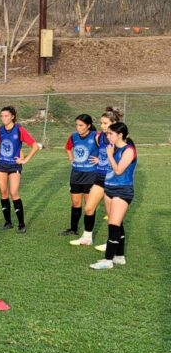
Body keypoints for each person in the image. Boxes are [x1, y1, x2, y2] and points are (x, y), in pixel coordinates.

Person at [69, 106, 123, 249]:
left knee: (112, 213)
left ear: (114, 123)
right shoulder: (100, 137)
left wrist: (108, 161)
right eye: (101, 123)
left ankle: (112, 242)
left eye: (105, 123)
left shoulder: (119, 139)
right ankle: (87, 238)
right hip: (99, 177)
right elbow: (100, 152)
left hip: (112, 179)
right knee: (89, 208)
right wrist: (100, 160)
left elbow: (122, 158)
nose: (102, 126)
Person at [90, 122, 136, 270]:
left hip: (122, 191)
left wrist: (109, 155)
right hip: (109, 189)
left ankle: (108, 260)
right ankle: (119, 256)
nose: (108, 136)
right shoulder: (112, 147)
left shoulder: (128, 150)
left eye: (111, 133)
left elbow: (118, 170)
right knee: (117, 223)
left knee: (113, 225)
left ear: (120, 135)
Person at [0, 105, 39, 233]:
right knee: (3, 192)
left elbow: (35, 146)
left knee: (13, 193)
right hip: (1, 165)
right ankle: (8, 222)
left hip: (14, 166)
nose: (3, 118)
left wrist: (25, 160)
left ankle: (21, 224)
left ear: (12, 117)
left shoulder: (19, 130)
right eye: (2, 116)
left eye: (6, 116)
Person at [60, 114, 98, 237]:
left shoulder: (96, 136)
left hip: (91, 174)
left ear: (89, 126)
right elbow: (67, 148)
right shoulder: (74, 136)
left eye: (81, 125)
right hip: (76, 174)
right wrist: (71, 159)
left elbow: (108, 149)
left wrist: (100, 160)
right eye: (76, 125)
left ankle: (87, 233)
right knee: (76, 203)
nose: (78, 128)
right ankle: (73, 229)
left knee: (89, 206)